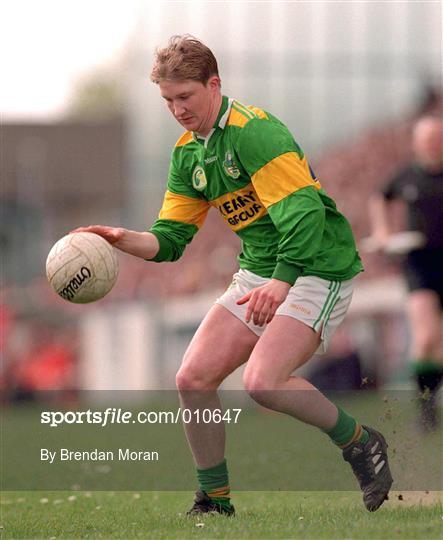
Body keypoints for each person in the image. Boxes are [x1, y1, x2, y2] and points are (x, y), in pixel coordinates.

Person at [74, 35, 392, 514]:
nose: (177, 110)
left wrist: (281, 282)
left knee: (263, 383)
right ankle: (214, 501)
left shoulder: (254, 131)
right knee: (193, 378)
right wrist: (124, 240)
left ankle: (361, 442)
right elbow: (171, 239)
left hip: (316, 265)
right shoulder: (188, 154)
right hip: (260, 270)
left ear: (214, 84)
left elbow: (304, 215)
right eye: (167, 100)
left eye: (186, 97)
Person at [369, 116, 443, 431]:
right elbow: (380, 198)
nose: (432, 144)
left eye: (437, 138)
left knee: (438, 346)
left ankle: (432, 394)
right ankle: (426, 407)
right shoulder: (407, 176)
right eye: (426, 139)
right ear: (416, 143)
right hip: (419, 265)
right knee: (425, 337)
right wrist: (383, 231)